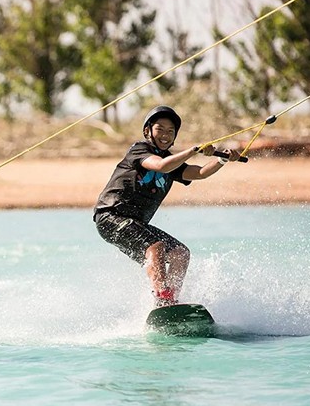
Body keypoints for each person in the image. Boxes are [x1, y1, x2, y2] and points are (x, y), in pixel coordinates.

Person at [93, 105, 241, 308]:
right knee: (156, 247)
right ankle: (162, 298)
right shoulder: (139, 150)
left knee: (180, 253)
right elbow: (162, 166)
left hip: (135, 223)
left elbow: (199, 173)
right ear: (148, 131)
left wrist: (221, 160)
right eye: (159, 129)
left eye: (170, 131)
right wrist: (192, 150)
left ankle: (170, 301)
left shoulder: (172, 163)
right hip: (111, 216)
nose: (165, 135)